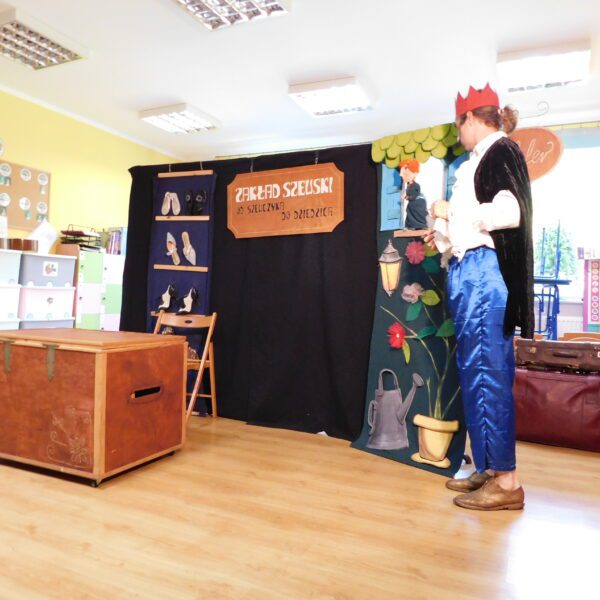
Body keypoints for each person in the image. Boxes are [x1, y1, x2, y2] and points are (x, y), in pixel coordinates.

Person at [423, 83, 534, 511]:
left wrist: (452, 212)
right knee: (475, 371)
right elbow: (472, 224)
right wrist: (444, 232)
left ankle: (507, 481)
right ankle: (490, 468)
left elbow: (509, 212)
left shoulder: (501, 151)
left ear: (470, 118)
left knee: (488, 371)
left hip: (486, 275)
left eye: (459, 126)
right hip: (470, 271)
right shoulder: (479, 159)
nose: (458, 135)